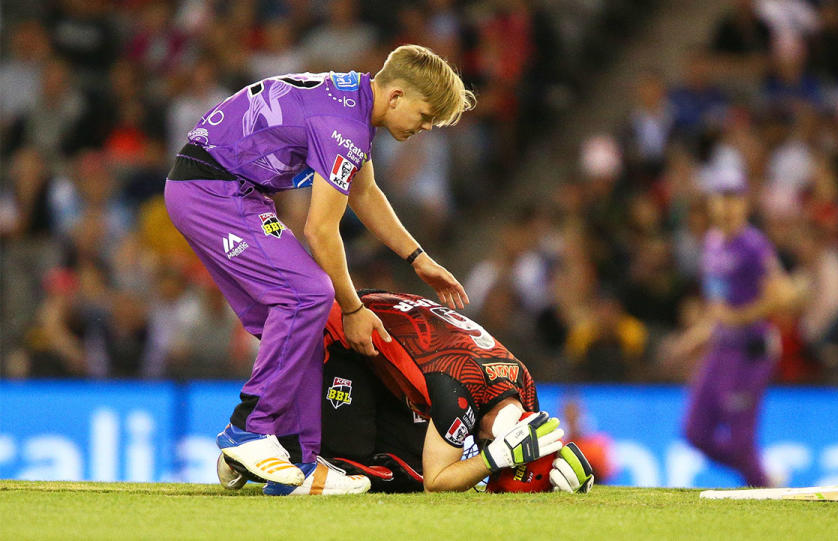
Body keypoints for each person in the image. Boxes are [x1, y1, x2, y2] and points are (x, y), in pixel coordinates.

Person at [165, 45, 473, 494]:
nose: (425, 127)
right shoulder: (345, 126)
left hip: (222, 189)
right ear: (397, 96)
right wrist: (352, 308)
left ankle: (298, 463)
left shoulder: (353, 104)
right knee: (310, 295)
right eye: (426, 115)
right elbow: (321, 231)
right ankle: (249, 430)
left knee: (307, 318)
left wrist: (418, 259)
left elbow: (365, 194)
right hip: (216, 191)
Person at [217, 290, 593, 495]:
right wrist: (495, 459)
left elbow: (532, 441)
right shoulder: (460, 386)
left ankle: (273, 448)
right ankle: (274, 451)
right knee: (378, 471)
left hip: (383, 347)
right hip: (339, 334)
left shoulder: (522, 384)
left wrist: (571, 473)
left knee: (407, 464)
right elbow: (437, 481)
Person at [677, 168, 799, 487]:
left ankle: (761, 483)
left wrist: (740, 316)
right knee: (694, 432)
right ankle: (762, 477)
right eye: (721, 198)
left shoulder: (753, 245)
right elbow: (718, 305)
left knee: (741, 439)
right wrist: (699, 334)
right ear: (712, 204)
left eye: (734, 198)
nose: (727, 206)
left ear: (744, 204)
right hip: (721, 348)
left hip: (751, 351)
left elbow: (784, 295)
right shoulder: (713, 242)